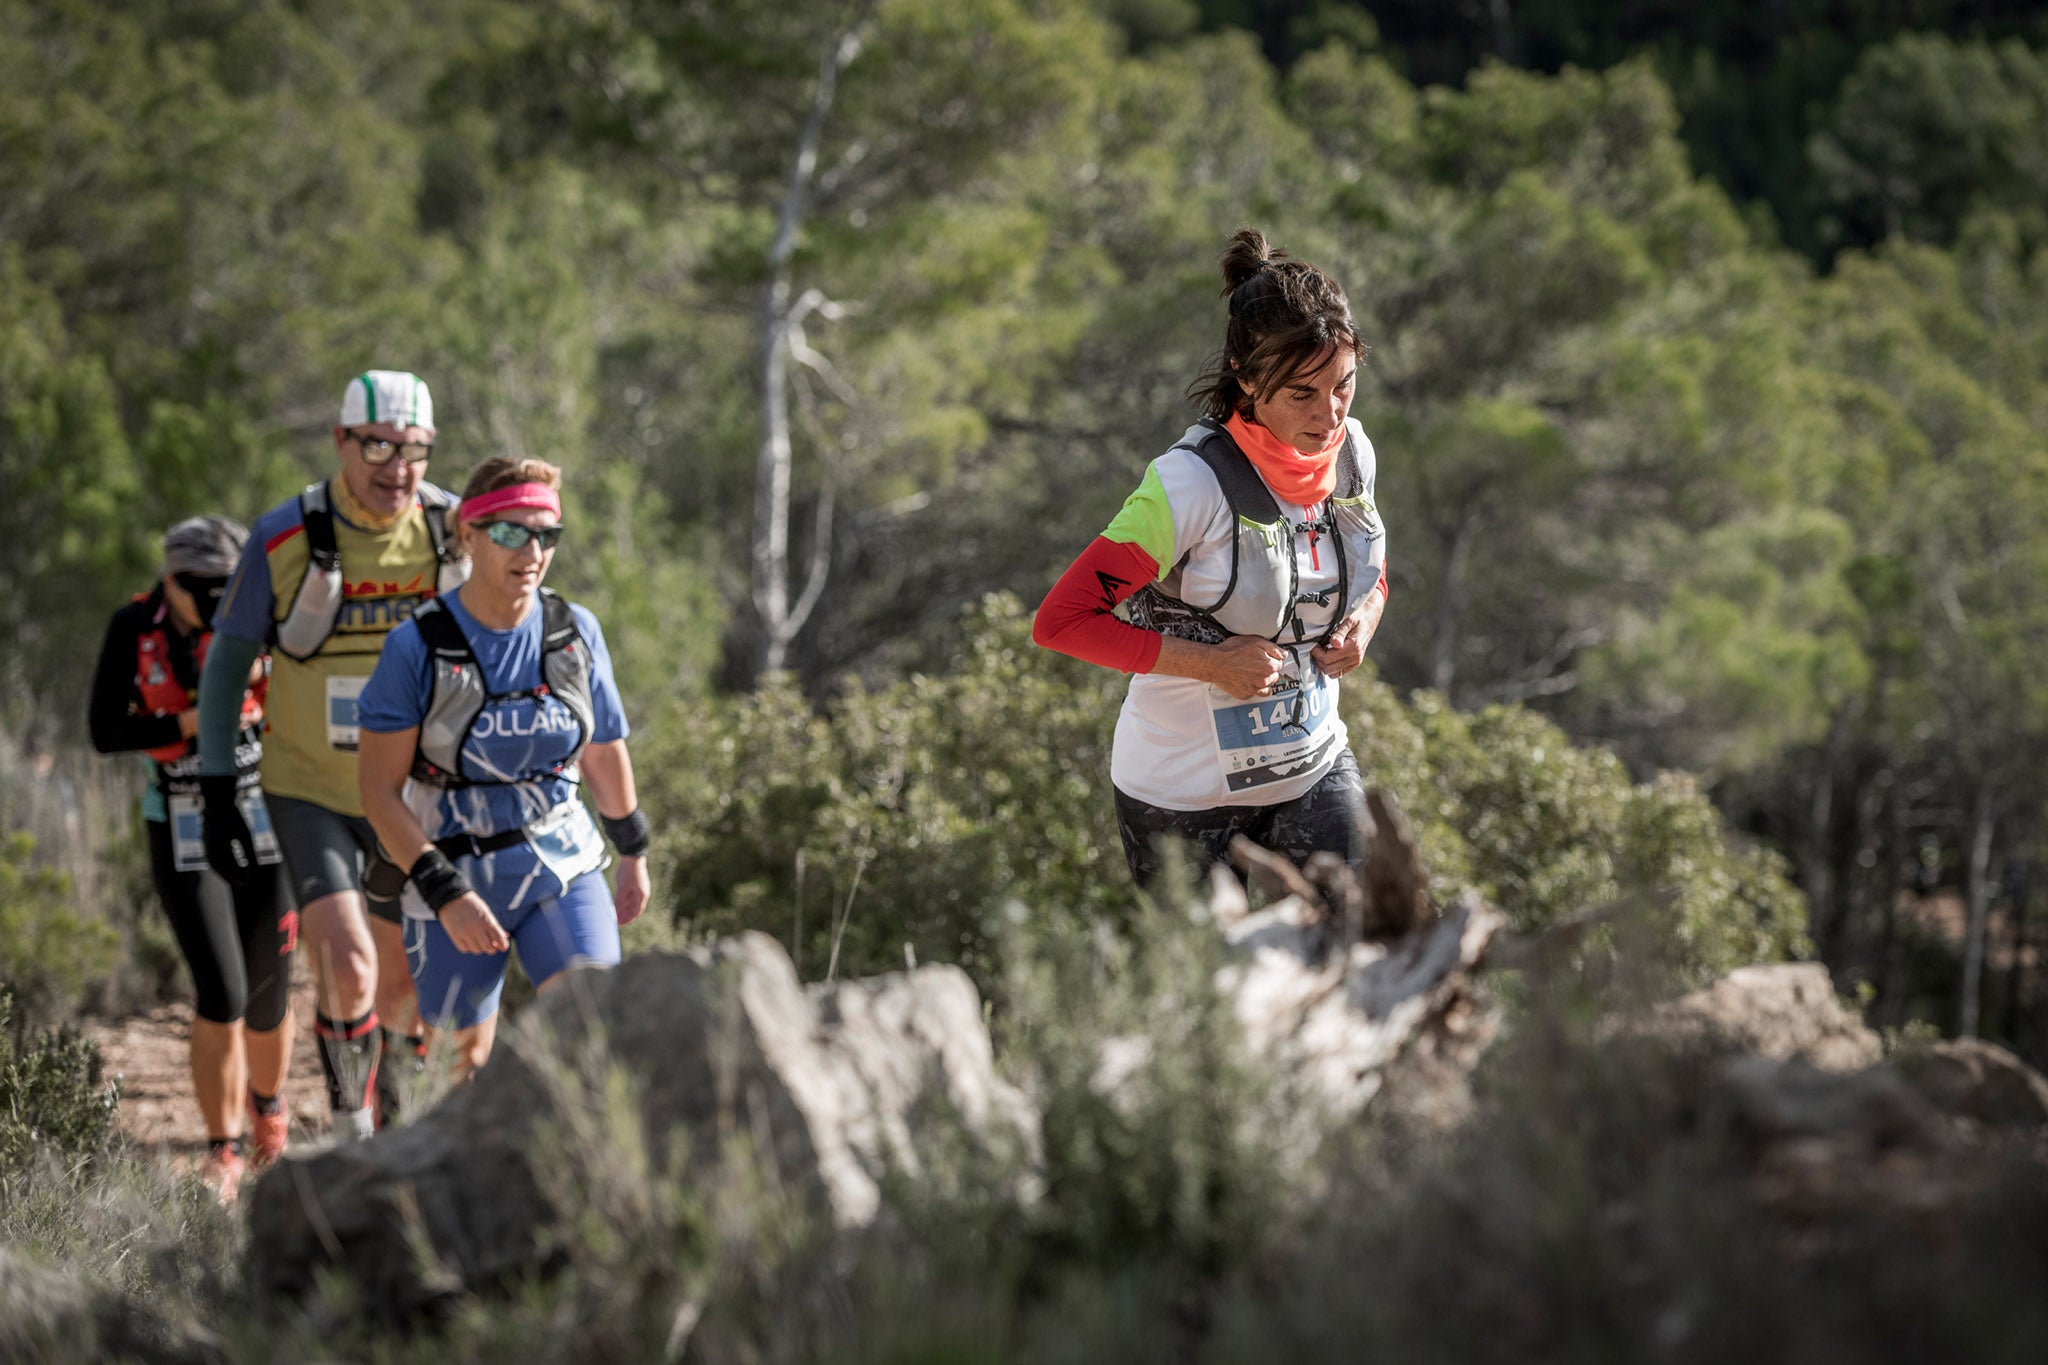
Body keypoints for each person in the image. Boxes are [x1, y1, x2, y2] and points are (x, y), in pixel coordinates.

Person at [1032, 228, 1389, 887]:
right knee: (1207, 990)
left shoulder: (1353, 454)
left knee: (1349, 956)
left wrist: (1363, 621)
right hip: (1179, 793)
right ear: (1248, 381)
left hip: (1310, 768)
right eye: (1303, 394)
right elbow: (1062, 619)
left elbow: (1363, 570)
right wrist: (1210, 664)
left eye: (1344, 385)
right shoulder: (1185, 488)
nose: (1330, 414)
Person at [196, 371, 467, 1139]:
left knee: (405, 979)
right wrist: (219, 789)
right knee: (349, 962)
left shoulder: (454, 531)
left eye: (415, 449)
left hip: (413, 794)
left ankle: (405, 1131)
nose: (398, 467)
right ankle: (353, 1126)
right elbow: (225, 665)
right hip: (310, 788)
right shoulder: (285, 535)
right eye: (378, 445)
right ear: (342, 441)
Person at [356, 457, 650, 1076]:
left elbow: (601, 749)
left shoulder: (574, 631)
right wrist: (446, 894)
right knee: (460, 1070)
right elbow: (380, 792)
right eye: (512, 532)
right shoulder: (417, 645)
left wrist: (632, 849)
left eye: (547, 534)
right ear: (468, 534)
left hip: (560, 862)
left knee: (593, 1033)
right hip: (452, 873)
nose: (533, 550)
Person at [88, 516, 295, 1200]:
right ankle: (222, 1148)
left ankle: (268, 1109)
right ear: (168, 578)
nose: (212, 598)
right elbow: (105, 729)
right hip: (177, 817)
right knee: (222, 992)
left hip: (263, 808)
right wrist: (189, 723)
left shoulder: (263, 614)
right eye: (198, 586)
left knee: (267, 993)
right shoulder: (133, 626)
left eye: (224, 584)